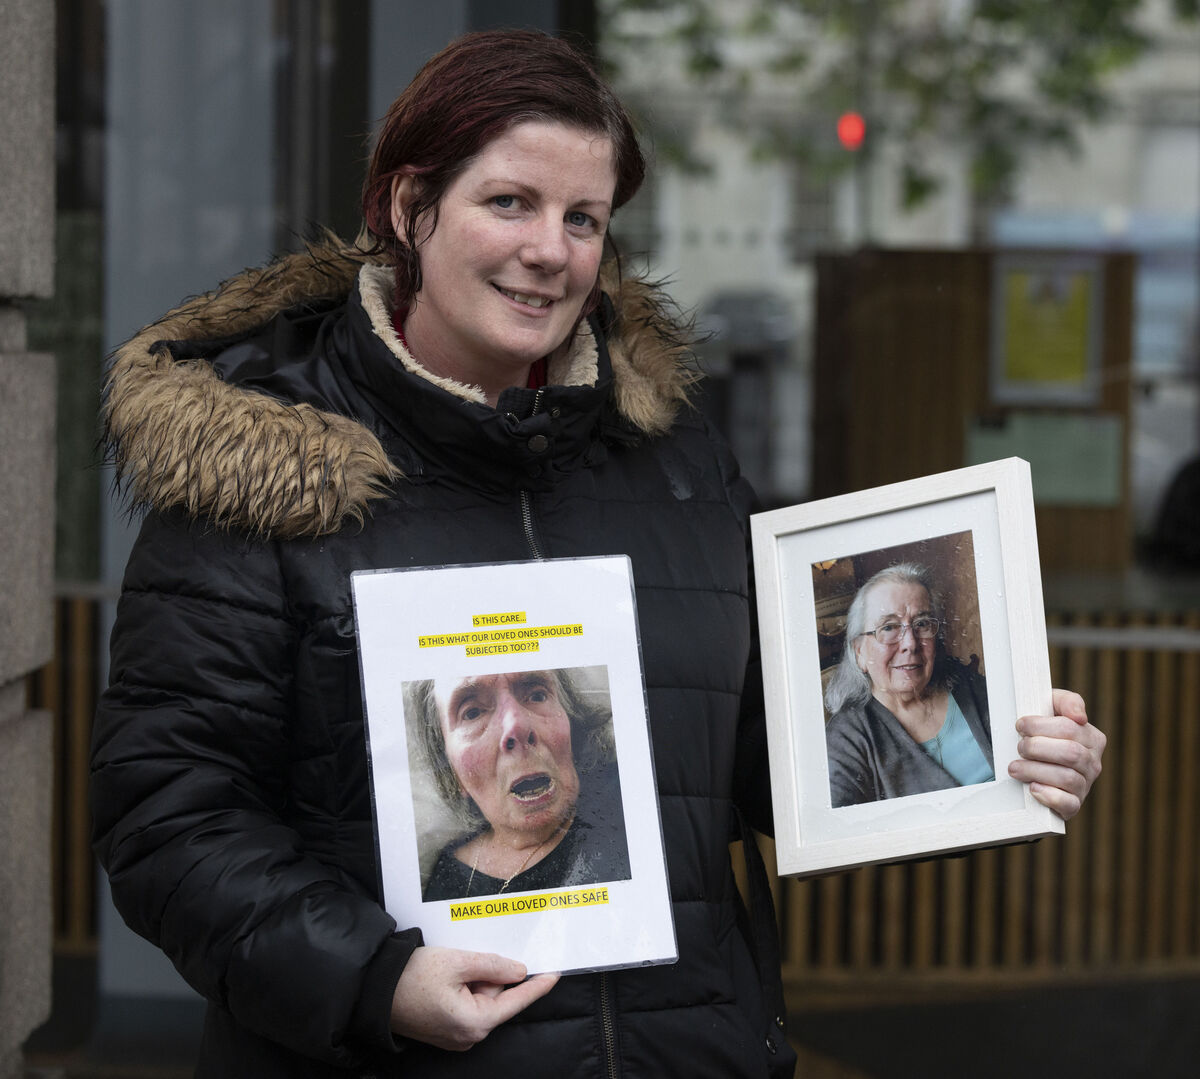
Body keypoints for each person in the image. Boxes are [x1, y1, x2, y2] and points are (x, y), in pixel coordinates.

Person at [91, 28, 1105, 1079]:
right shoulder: (266, 467)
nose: (552, 250)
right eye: (510, 202)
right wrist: (371, 980)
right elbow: (167, 810)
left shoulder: (676, 461)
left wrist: (997, 751)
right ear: (406, 206)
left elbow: (763, 761)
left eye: (584, 218)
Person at [409, 668, 631, 900]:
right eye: (473, 713)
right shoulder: (447, 883)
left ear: (571, 727)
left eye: (537, 695)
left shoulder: (630, 804)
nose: (516, 725)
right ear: (452, 773)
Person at [824, 564, 996, 807]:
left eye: (922, 624)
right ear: (860, 652)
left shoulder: (970, 687)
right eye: (889, 627)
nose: (910, 643)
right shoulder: (848, 736)